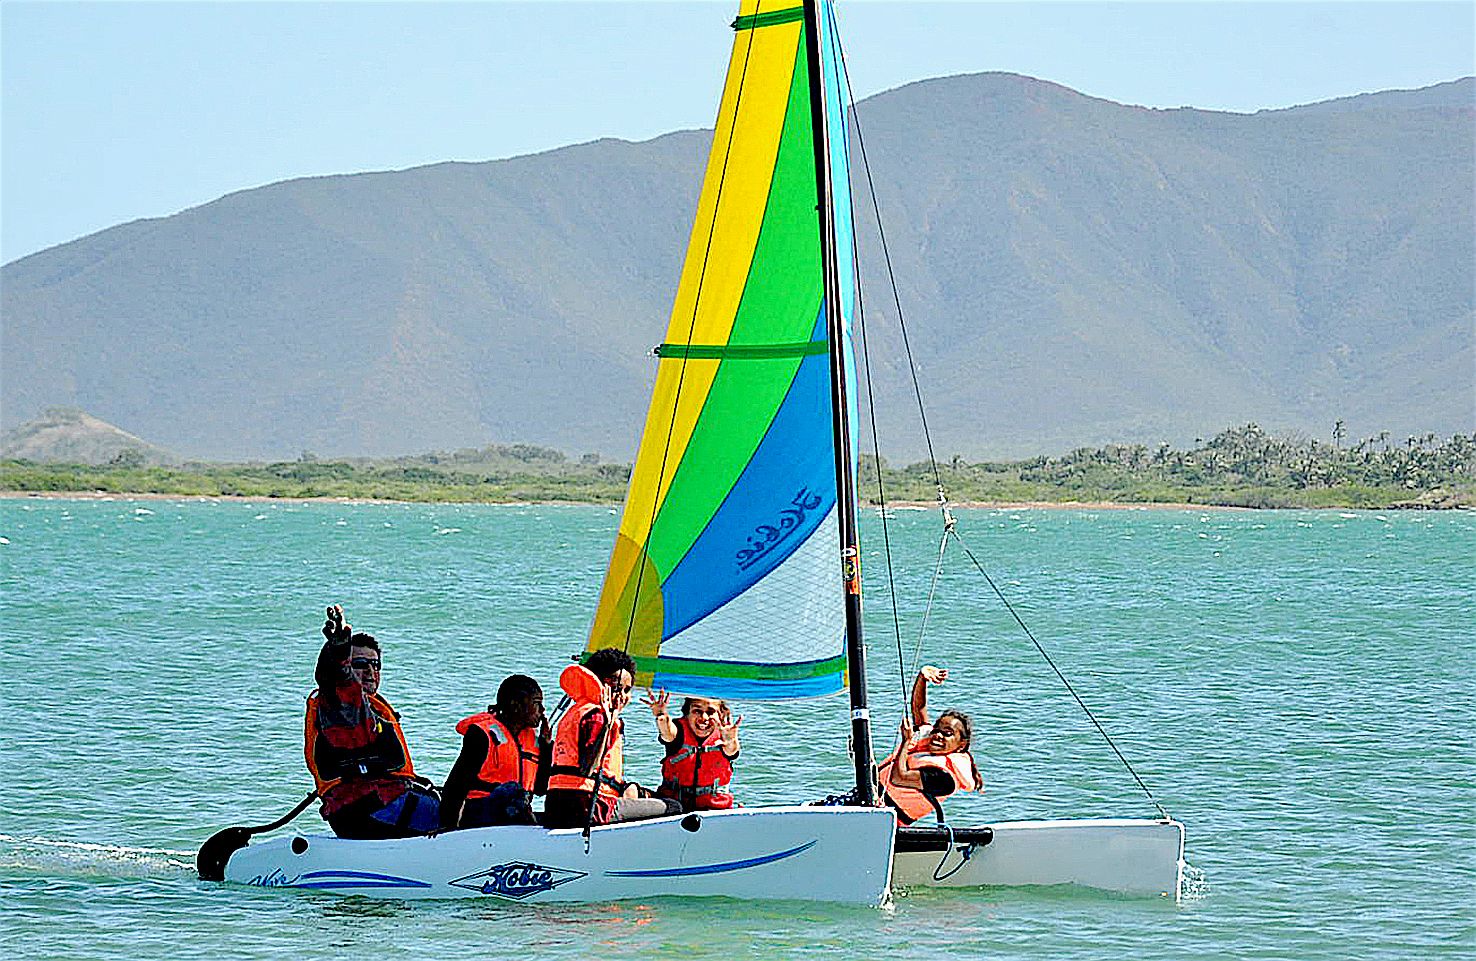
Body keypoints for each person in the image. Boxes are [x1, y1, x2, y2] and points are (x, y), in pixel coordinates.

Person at [303, 605, 441, 839]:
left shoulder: (374, 708)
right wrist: (337, 650)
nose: (369, 671)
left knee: (475, 799)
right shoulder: (339, 703)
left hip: (386, 801)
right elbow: (335, 679)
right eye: (360, 664)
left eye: (375, 665)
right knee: (472, 815)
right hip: (367, 809)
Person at [543, 648, 681, 829]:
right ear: (599, 684)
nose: (621, 696)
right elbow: (588, 769)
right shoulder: (597, 716)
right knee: (674, 807)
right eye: (615, 688)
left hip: (556, 807)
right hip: (588, 809)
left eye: (626, 690)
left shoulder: (578, 709)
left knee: (642, 794)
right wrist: (607, 723)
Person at [440, 674, 551, 830]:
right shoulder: (482, 735)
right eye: (536, 703)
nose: (542, 710)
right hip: (480, 815)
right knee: (511, 791)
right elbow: (455, 787)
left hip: (516, 814)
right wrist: (448, 829)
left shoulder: (534, 740)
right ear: (515, 705)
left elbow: (541, 788)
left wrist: (546, 748)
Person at [876, 665, 981, 825]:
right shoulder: (927, 747)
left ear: (961, 745)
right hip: (866, 802)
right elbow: (919, 709)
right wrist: (922, 678)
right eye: (936, 730)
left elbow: (899, 777)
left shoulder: (944, 779)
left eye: (947, 733)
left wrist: (906, 741)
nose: (938, 735)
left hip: (884, 822)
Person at [645, 691, 741, 812]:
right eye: (697, 711)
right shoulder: (678, 732)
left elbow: (732, 751)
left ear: (721, 715)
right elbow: (667, 732)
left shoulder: (725, 737)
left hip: (715, 810)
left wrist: (730, 740)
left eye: (710, 712)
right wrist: (661, 715)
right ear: (687, 714)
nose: (704, 718)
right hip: (674, 806)